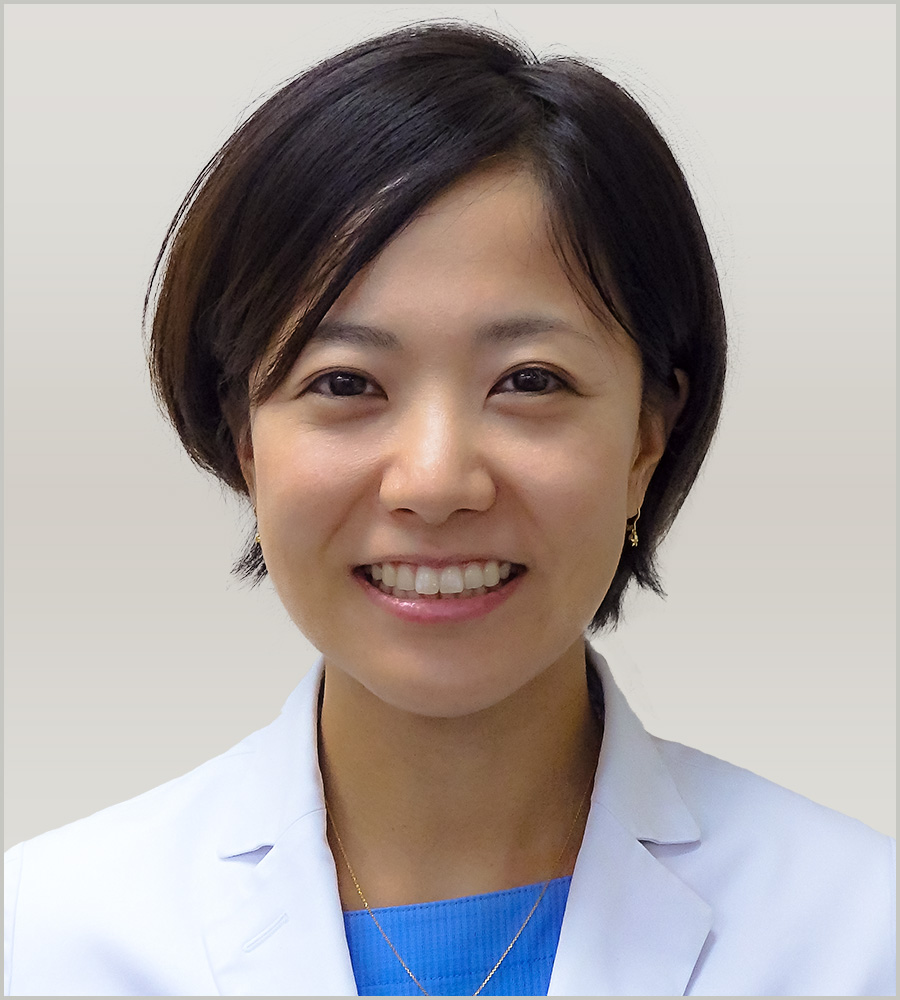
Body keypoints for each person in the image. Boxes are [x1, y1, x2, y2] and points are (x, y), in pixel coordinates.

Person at [3, 22, 894, 998]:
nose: (434, 482)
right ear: (246, 439)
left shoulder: (859, 936)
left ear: (649, 434)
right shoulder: (49, 941)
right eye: (345, 382)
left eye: (529, 380)